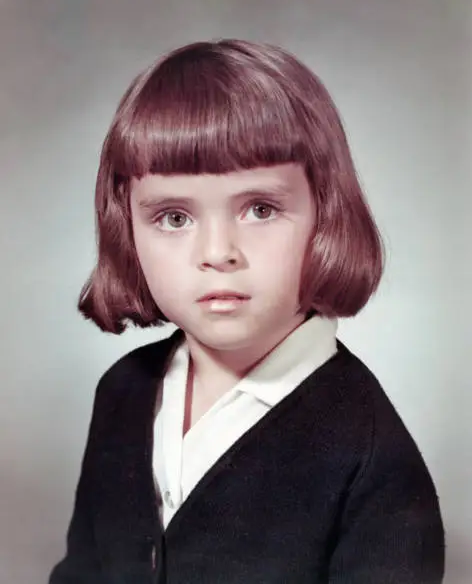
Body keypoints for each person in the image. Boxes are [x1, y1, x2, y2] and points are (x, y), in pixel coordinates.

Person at [48, 39, 445, 584]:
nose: (217, 252)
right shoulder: (123, 391)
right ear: (129, 231)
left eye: (260, 209)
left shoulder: (369, 451)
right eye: (173, 217)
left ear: (325, 216)